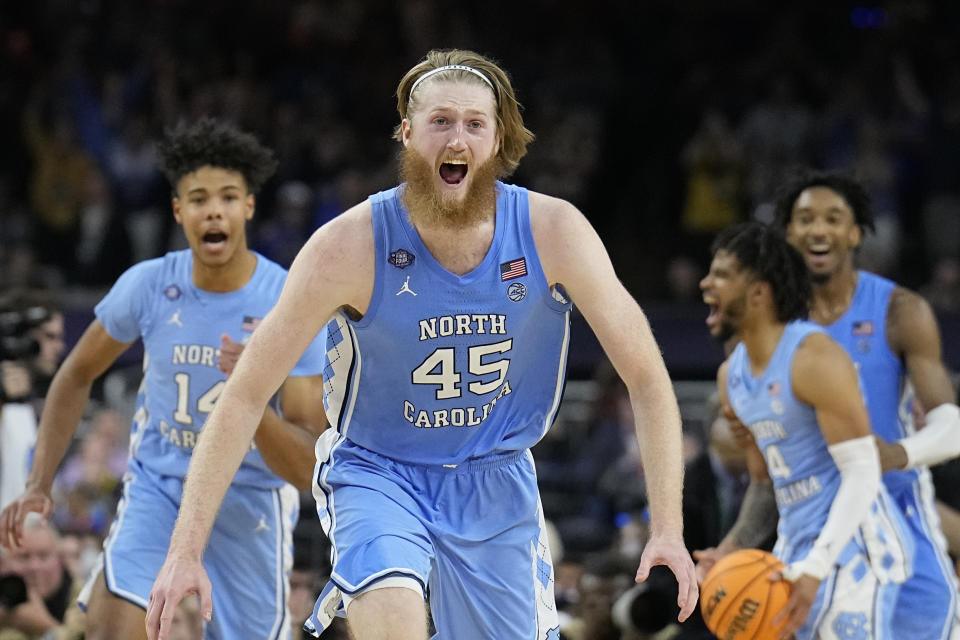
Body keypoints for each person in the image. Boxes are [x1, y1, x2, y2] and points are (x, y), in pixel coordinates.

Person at [145, 49, 698, 640]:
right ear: (407, 134)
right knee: (392, 620)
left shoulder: (554, 232)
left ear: (497, 139)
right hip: (378, 471)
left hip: (496, 478)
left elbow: (645, 375)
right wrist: (185, 550)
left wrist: (668, 526)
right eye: (440, 122)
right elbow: (245, 393)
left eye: (474, 124)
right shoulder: (347, 246)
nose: (456, 138)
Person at [0, 118, 329, 640]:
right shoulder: (149, 285)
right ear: (178, 211)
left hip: (246, 503)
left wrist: (251, 395)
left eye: (227, 196)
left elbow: (308, 464)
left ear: (248, 206)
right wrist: (39, 482)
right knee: (112, 630)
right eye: (198, 198)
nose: (213, 209)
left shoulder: (289, 303)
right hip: (159, 488)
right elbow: (75, 373)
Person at [698, 222, 911, 639]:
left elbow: (864, 470)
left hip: (855, 553)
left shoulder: (814, 357)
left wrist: (816, 567)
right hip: (794, 551)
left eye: (722, 274)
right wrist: (729, 550)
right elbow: (764, 484)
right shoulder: (732, 376)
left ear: (759, 292)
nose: (706, 283)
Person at [775, 170, 959, 639]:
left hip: (898, 508)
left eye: (834, 218)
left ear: (855, 234)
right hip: (813, 519)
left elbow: (952, 428)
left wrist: (894, 453)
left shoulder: (901, 310)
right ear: (789, 233)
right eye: (806, 219)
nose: (819, 229)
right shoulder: (766, 321)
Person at [0, 515, 85, 640]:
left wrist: (44, 627)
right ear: (3, 564)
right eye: (24, 557)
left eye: (44, 556)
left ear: (59, 560)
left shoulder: (84, 600)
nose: (35, 567)